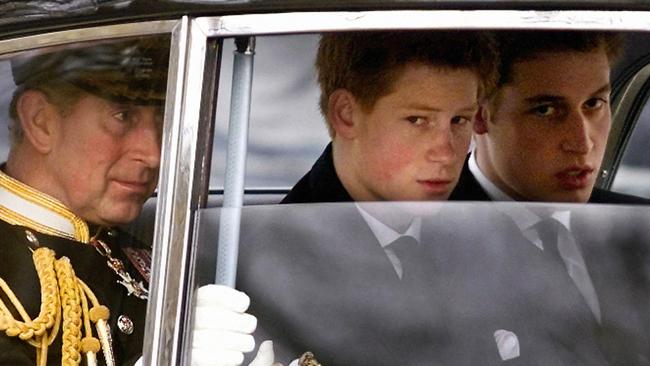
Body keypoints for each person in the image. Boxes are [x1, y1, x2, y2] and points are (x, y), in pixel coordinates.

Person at [209, 30, 500, 366]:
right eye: (417, 120)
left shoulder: (489, 232)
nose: (446, 152)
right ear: (346, 114)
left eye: (459, 120)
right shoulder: (266, 267)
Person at [0, 36, 251, 366]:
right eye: (123, 116)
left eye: (161, 121)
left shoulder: (135, 252)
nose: (153, 154)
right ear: (41, 121)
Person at [449, 30, 650, 364]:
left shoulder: (640, 230)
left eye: (594, 104)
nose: (582, 141)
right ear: (479, 115)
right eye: (545, 110)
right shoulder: (416, 241)